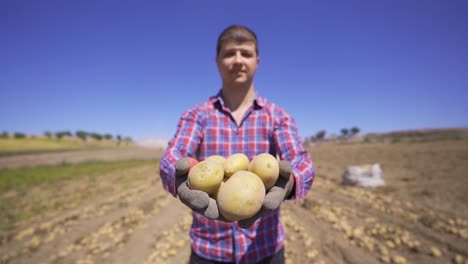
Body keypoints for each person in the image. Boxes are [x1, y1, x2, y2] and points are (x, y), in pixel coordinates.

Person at [159, 24, 315, 264]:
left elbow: (301, 160)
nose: (238, 60)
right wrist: (181, 174)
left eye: (246, 53)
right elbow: (173, 156)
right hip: (208, 251)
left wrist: (291, 181)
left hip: (265, 249)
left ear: (257, 61)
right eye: (230, 53)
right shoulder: (197, 115)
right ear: (217, 61)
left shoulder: (278, 116)